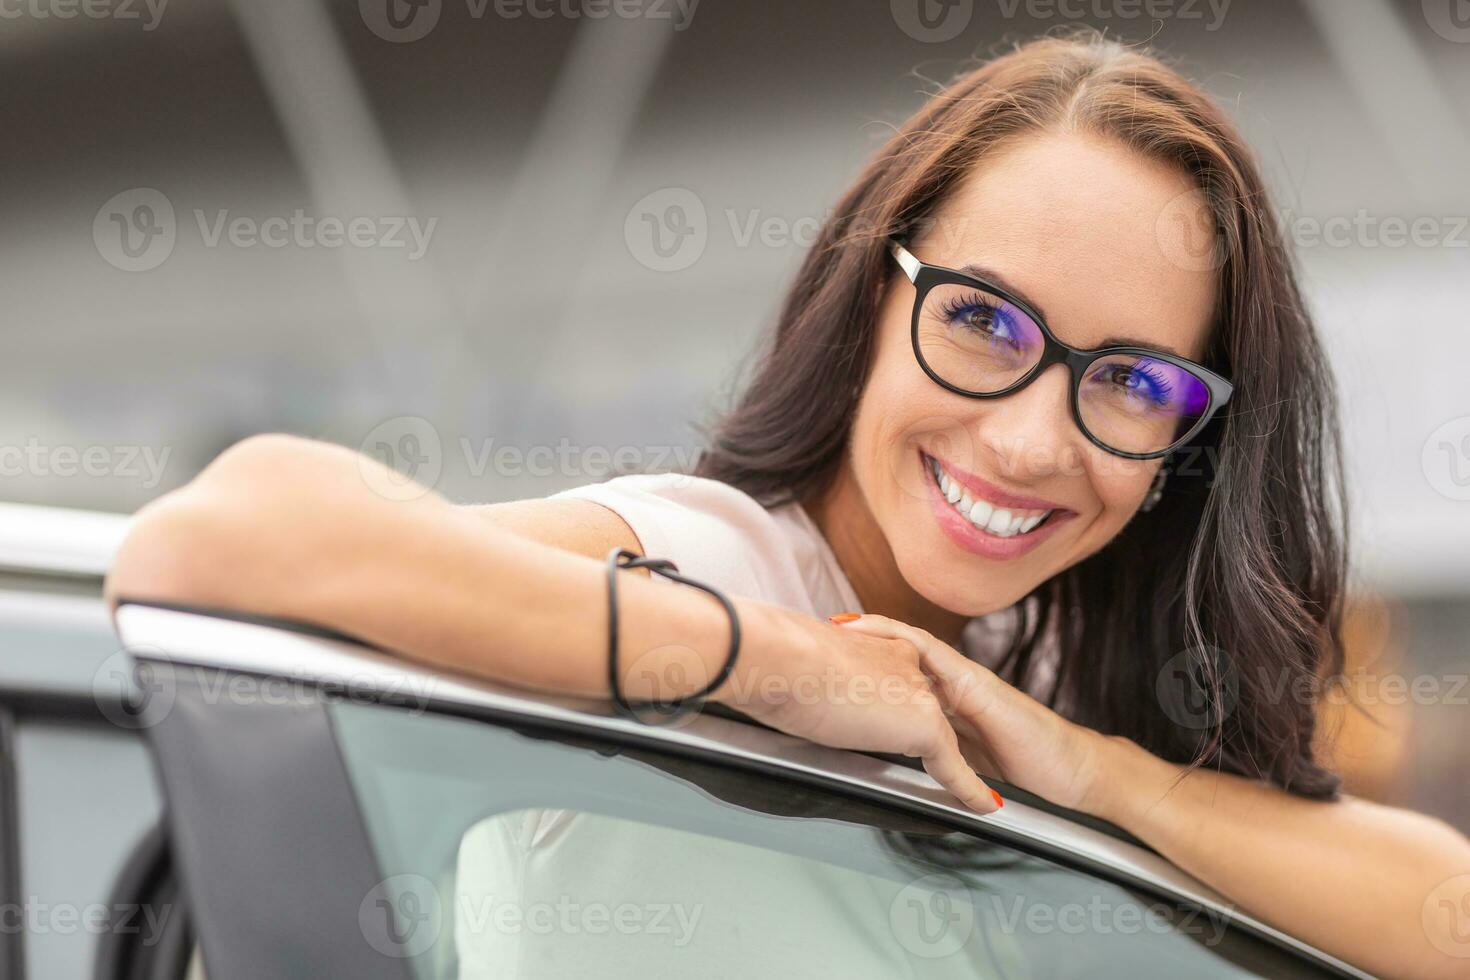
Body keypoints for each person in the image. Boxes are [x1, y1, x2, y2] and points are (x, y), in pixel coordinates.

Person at [105, 31, 1470, 978]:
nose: (1030, 436)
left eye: (1129, 384)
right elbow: (214, 539)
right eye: (985, 321)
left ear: (1192, 436)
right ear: (872, 293)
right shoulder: (719, 559)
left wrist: (1088, 771)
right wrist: (775, 666)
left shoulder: (1022, 663)